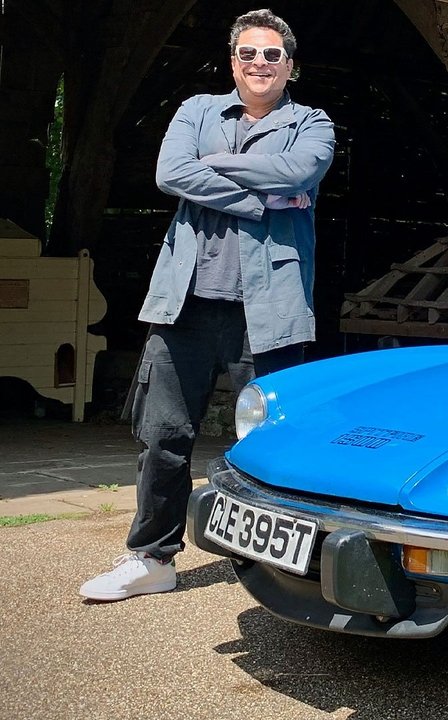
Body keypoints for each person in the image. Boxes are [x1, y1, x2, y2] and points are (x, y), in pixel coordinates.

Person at [79, 9, 335, 601]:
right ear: (232, 62)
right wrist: (259, 200)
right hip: (185, 304)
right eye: (248, 53)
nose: (259, 63)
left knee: (274, 440)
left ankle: (282, 561)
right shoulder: (196, 110)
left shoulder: (312, 122)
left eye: (272, 54)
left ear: (290, 66)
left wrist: (212, 165)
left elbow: (299, 171)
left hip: (269, 310)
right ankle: (152, 559)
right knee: (163, 437)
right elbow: (171, 173)